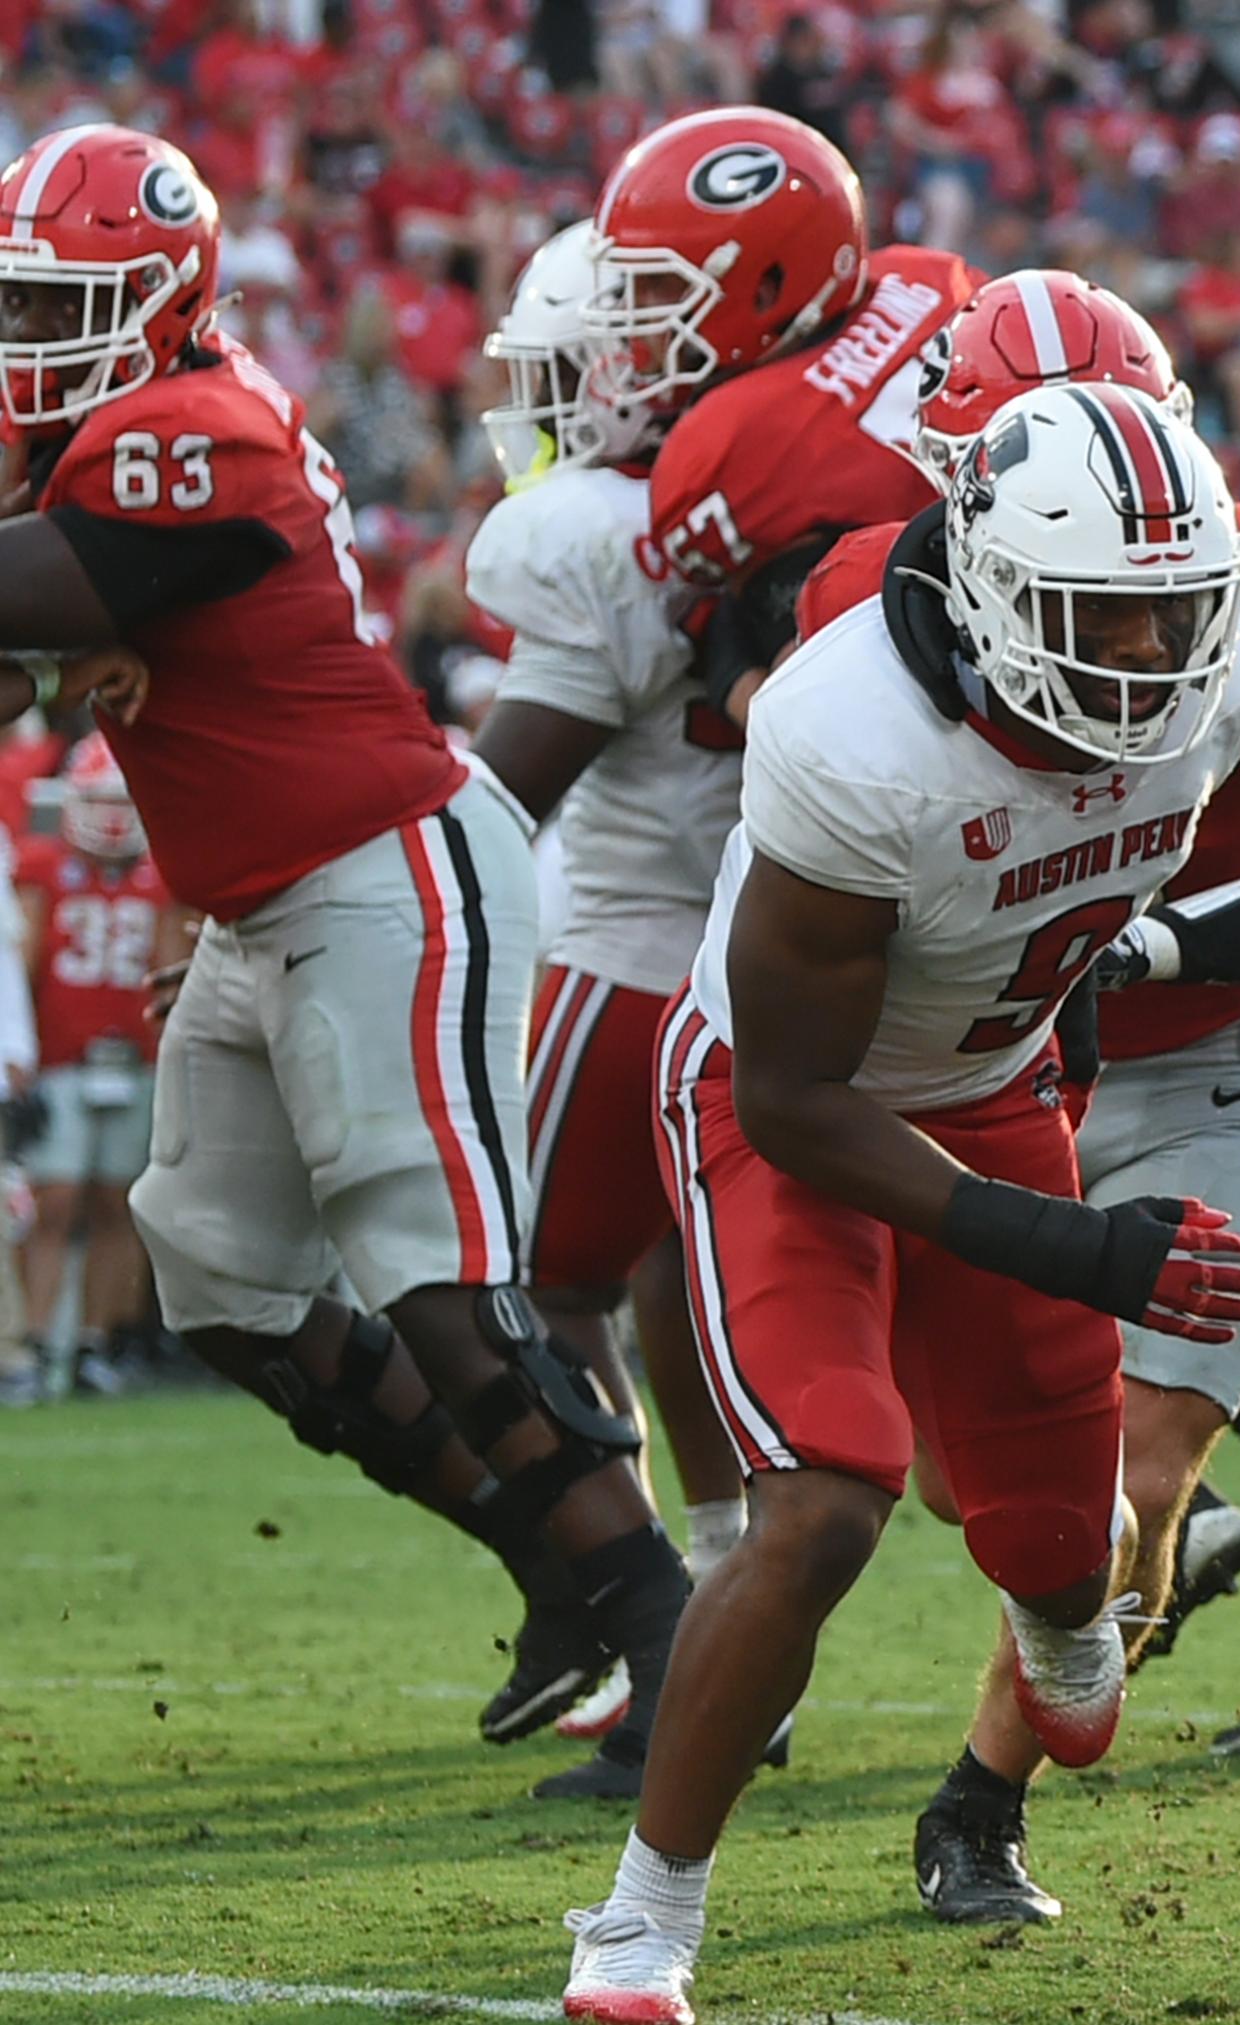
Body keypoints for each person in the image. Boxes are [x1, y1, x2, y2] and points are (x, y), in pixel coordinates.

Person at [557, 381, 1240, 2025]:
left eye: (1176, 618)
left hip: (997, 1072)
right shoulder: (853, 733)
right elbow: (807, 1102)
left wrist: (1064, 1033)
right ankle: (643, 1915)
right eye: (1109, 622)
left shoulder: (1228, 662)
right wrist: (1075, 1246)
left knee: (1049, 1553)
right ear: (1000, 591)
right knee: (826, 1499)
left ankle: (1060, 1606)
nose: (1154, 663)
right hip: (783, 1103)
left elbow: (1087, 876)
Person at [0, 124, 679, 1797]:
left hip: (387, 878)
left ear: (162, 297)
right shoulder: (102, 437)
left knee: (438, 1283)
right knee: (221, 1276)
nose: (24, 338)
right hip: (261, 903)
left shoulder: (187, 429)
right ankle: (560, 1569)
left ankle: (667, 1628)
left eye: (54, 305)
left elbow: (36, 594)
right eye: (11, 304)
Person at [779, 273, 1240, 1922]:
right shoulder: (872, 606)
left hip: (1203, 1045)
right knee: (976, 1479)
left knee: (1137, 1464)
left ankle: (979, 1802)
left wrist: (1121, 947)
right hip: (980, 1069)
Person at [461, 222, 749, 1762]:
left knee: (545, 1288)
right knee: (666, 1286)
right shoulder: (769, 493)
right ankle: (706, 1587)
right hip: (764, 939)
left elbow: (506, 793)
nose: (551, 403)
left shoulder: (595, 529)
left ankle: (668, 1622)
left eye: (573, 369)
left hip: (635, 948)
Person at [586, 107, 980, 728]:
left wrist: (731, 652)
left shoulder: (727, 444)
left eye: (661, 283)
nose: (637, 309)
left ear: (767, 289)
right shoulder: (922, 275)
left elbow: (789, 703)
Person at [16, 739, 188, 1393]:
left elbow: (170, 975)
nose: (114, 819)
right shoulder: (41, 868)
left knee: (120, 1204)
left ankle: (99, 1342)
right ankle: (35, 1343)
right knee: (55, 1201)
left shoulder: (161, 874)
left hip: (135, 1056)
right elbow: (25, 967)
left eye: (123, 803)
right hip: (61, 1058)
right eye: (102, 802)